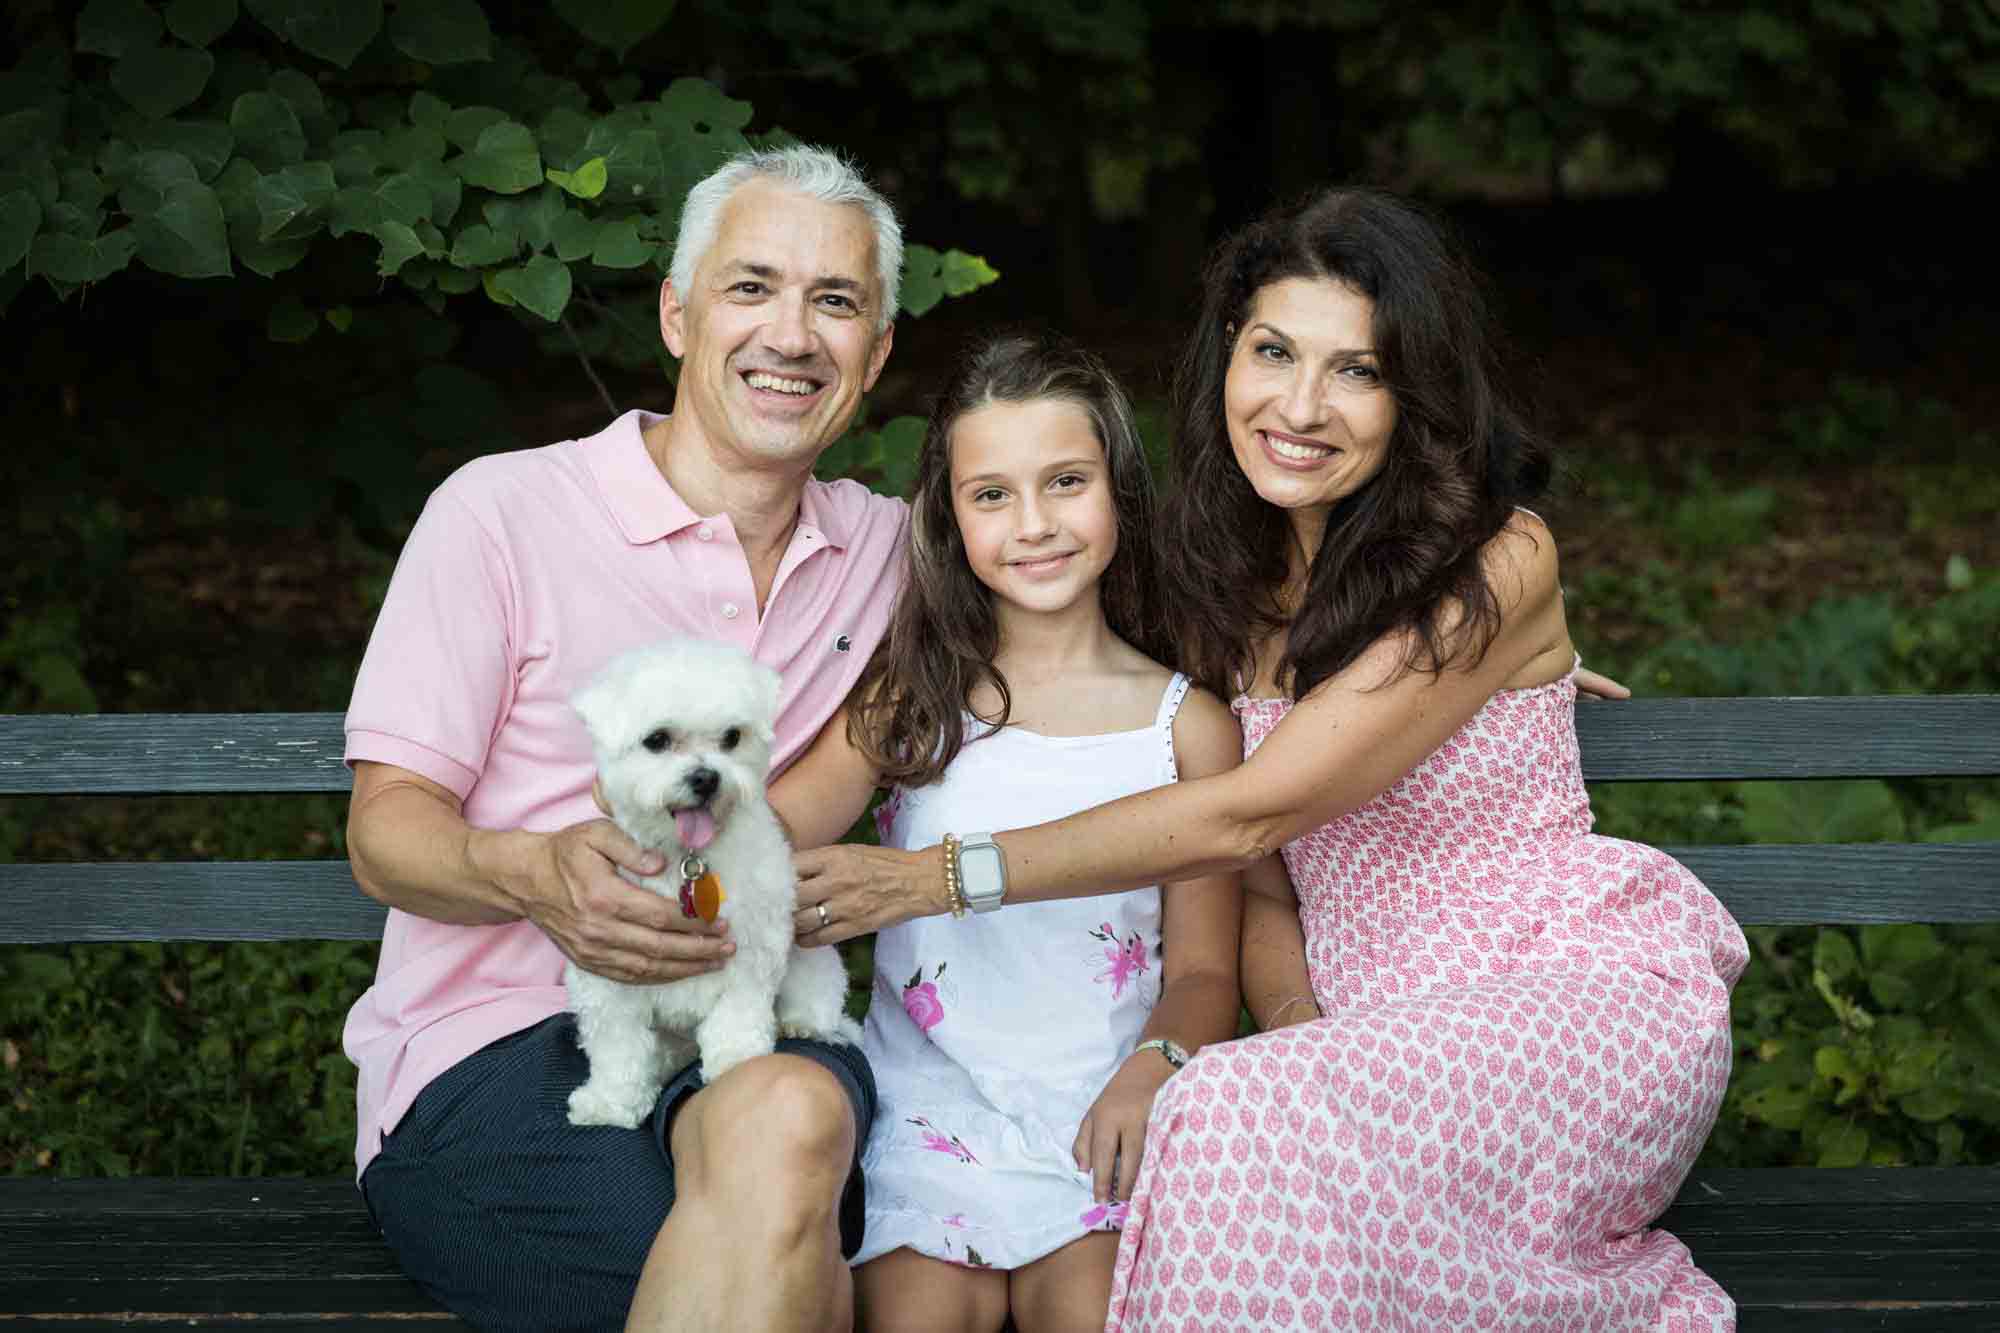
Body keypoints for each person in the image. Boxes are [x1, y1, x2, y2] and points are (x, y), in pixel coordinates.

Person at [790, 187, 1750, 1330]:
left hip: (1558, 996)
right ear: (1223, 361)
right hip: (1354, 1047)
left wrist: (935, 876)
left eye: (1357, 370)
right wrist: (1298, 1034)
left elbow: (1250, 812)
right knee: (1258, 1109)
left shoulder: (1495, 560)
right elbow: (1257, 886)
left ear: (1416, 396)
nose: (1301, 404)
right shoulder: (1215, 602)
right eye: (1273, 352)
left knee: (1224, 1114)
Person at [339, 144, 910, 1332]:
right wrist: (534, 870)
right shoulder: (501, 512)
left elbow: (1100, 575)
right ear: (676, 313)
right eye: (750, 286)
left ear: (879, 350)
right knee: (749, 1258)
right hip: (492, 1045)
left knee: (794, 1130)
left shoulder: (895, 553)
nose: (791, 336)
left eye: (836, 301)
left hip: (740, 1009)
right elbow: (385, 835)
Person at [764, 332, 1246, 1333]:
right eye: (991, 495)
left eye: (1064, 481)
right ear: (949, 518)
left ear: (1117, 488)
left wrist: (1150, 1073)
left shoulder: (1184, 727)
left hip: (1100, 1112)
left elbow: (1204, 973)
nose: (1033, 524)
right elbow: (773, 832)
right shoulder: (915, 701)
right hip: (931, 1115)